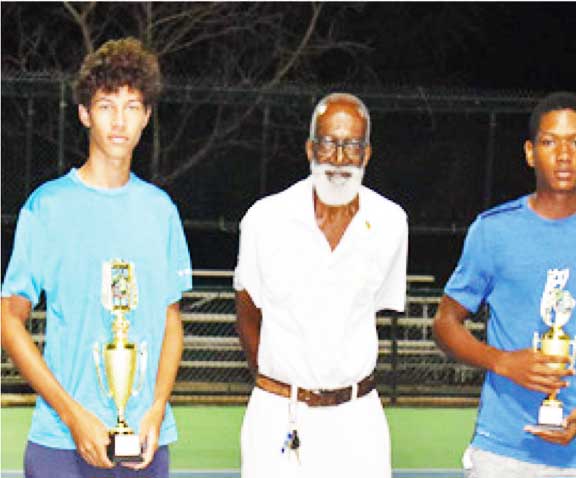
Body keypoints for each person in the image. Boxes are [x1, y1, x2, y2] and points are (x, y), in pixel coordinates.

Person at [0, 37, 189, 477]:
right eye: (106, 105)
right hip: (62, 445)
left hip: (143, 441)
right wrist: (71, 415)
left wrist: (157, 408)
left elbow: (171, 321)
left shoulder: (161, 211)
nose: (119, 120)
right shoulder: (48, 206)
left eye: (131, 106)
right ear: (85, 114)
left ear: (146, 117)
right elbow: (9, 319)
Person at [431, 92, 576, 477]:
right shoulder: (493, 230)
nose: (564, 154)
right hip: (499, 452)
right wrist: (502, 361)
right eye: (550, 142)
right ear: (530, 152)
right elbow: (445, 324)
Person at [234, 93, 409, 476]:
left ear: (367, 154)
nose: (339, 158)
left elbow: (372, 310)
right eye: (329, 143)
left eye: (352, 145)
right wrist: (284, 386)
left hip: (358, 419)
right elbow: (247, 313)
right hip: (278, 414)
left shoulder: (391, 222)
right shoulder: (265, 219)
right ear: (310, 148)